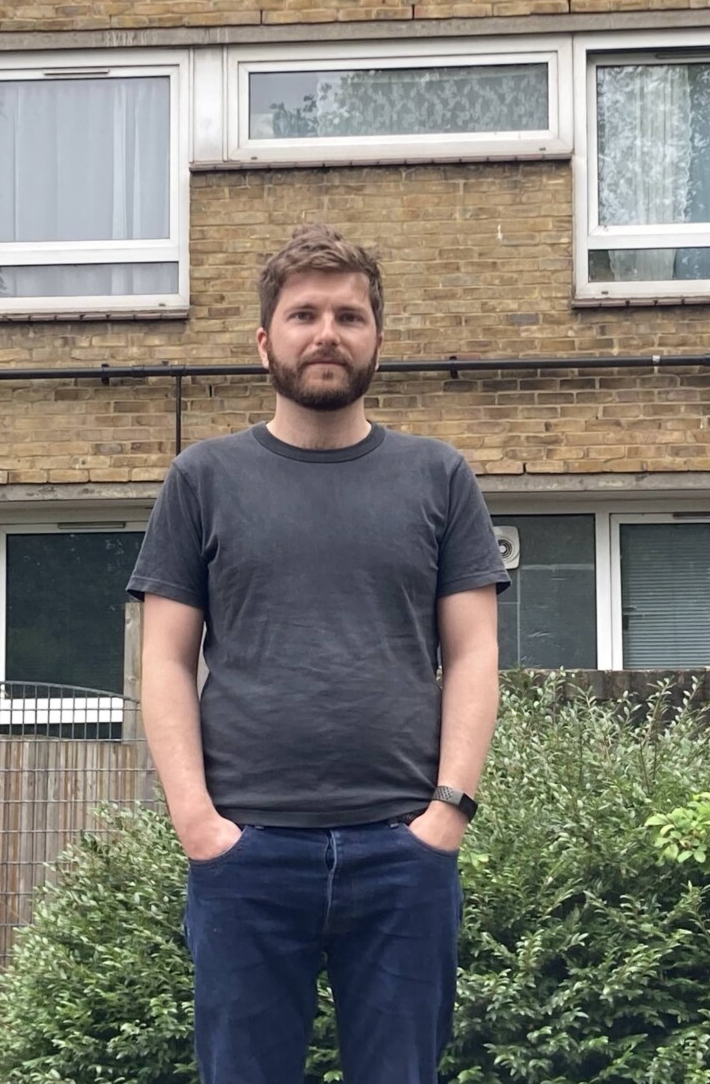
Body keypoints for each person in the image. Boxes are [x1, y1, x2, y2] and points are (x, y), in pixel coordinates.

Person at [126, 223, 508, 1084]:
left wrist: (447, 814)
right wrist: (198, 824)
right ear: (265, 341)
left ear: (378, 338)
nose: (326, 333)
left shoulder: (440, 477)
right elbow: (164, 661)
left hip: (403, 853)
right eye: (304, 314)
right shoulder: (203, 479)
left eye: (348, 315)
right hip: (246, 854)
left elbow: (474, 652)